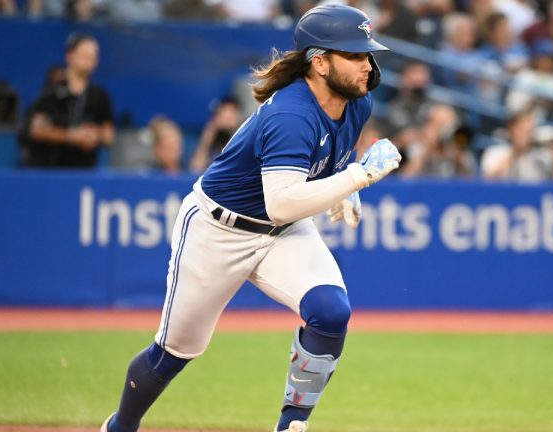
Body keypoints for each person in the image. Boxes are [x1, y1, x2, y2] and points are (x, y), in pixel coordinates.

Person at [99, 5, 401, 432]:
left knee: (331, 311)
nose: (367, 65)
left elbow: (316, 171)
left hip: (283, 231)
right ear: (319, 62)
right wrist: (357, 178)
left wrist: (343, 182)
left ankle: (290, 426)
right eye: (354, 55)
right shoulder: (290, 113)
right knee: (173, 353)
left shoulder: (357, 101)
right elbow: (281, 202)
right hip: (219, 229)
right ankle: (120, 427)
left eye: (367, 54)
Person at [24, 33, 114, 168]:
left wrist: (95, 134)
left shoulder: (99, 95)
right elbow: (36, 130)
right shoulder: (52, 92)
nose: (90, 59)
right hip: (51, 168)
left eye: (94, 55)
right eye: (85, 55)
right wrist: (71, 136)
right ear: (70, 56)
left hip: (84, 171)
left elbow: (109, 136)